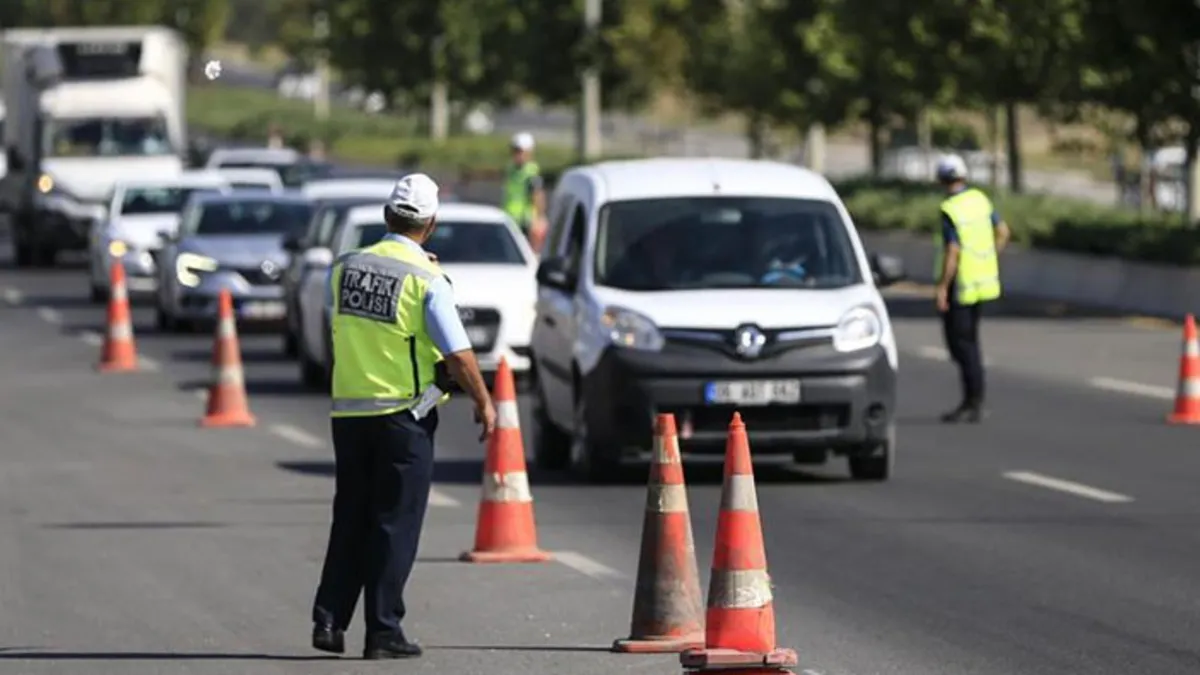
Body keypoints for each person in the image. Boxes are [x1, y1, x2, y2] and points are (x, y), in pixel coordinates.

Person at [310, 173, 497, 660]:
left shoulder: (344, 268)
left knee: (351, 517)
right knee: (394, 524)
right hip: (402, 415)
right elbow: (458, 354)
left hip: (349, 412)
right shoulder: (427, 280)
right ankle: (383, 630)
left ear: (386, 216)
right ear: (430, 225)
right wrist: (484, 401)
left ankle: (328, 619)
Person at [933, 154, 1010, 424]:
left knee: (962, 346)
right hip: (982, 282)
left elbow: (952, 251)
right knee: (970, 343)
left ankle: (973, 401)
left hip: (961, 285)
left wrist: (942, 287)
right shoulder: (979, 199)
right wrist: (988, 257)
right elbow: (1003, 231)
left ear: (941, 180)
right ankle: (973, 399)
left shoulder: (950, 209)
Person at [501, 131, 546, 250]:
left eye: (520, 152)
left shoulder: (531, 172)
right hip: (509, 217)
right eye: (515, 151)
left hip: (525, 222)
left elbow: (538, 195)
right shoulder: (511, 169)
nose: (517, 155)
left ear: (529, 153)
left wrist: (539, 219)